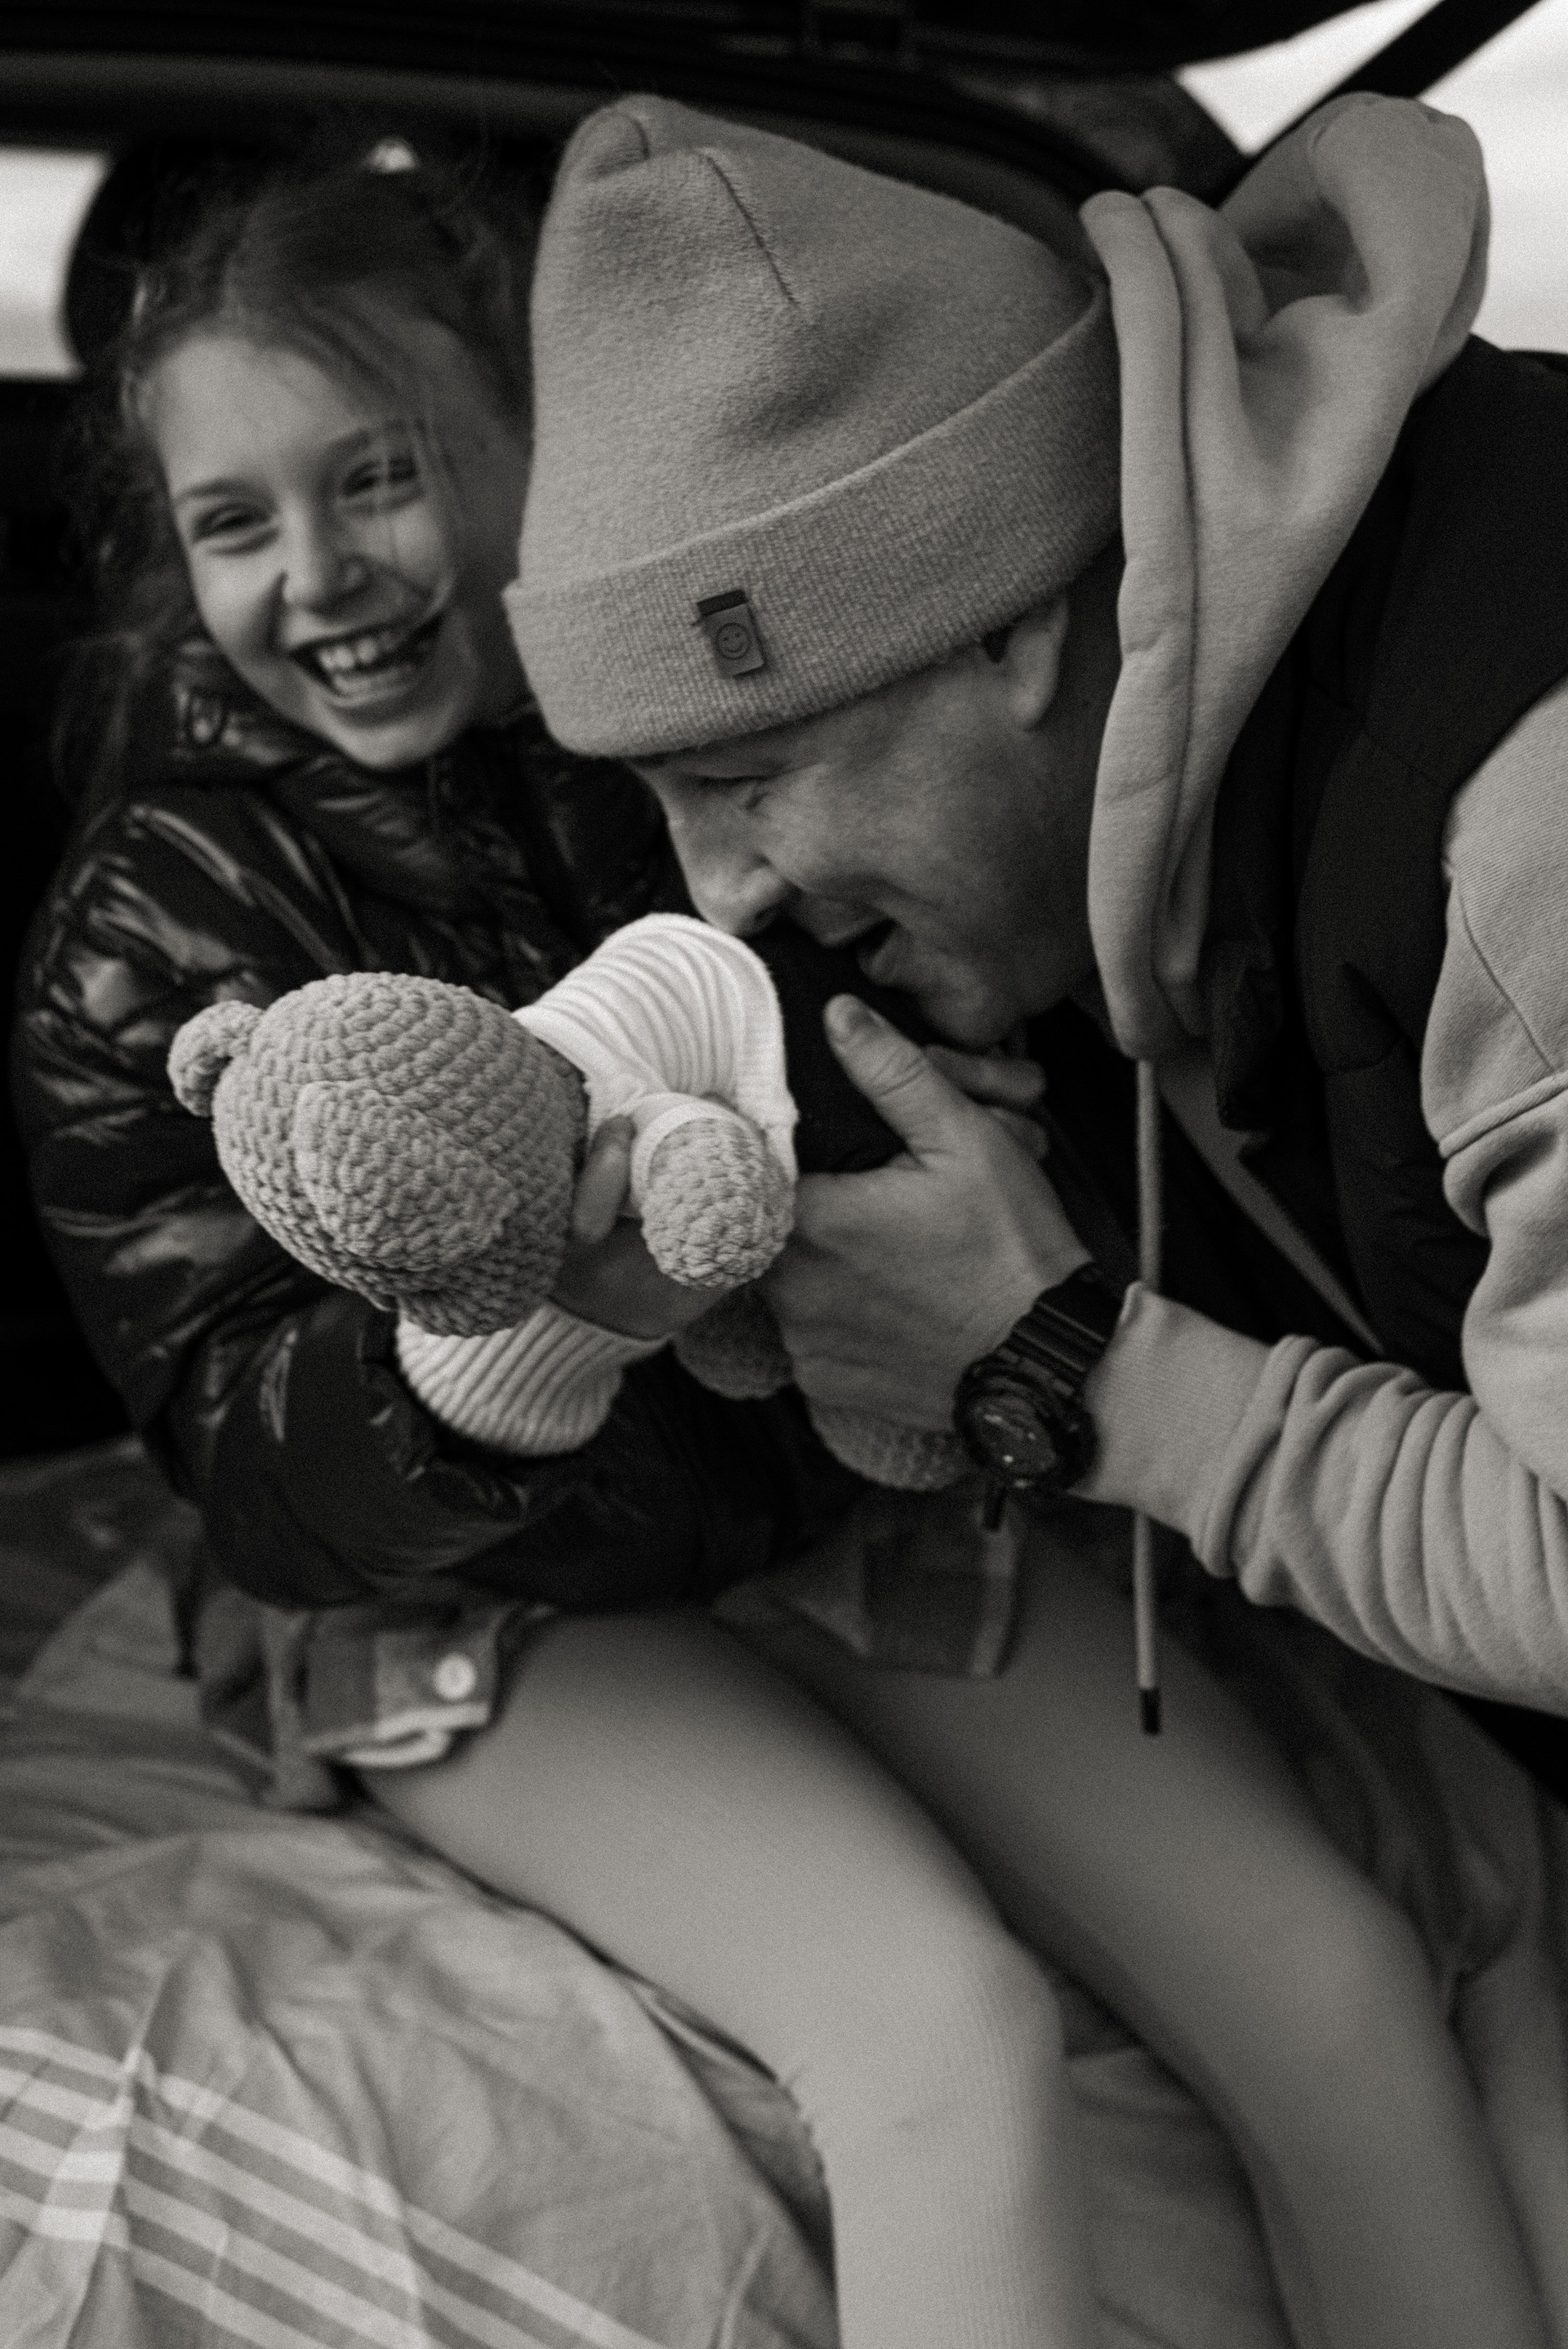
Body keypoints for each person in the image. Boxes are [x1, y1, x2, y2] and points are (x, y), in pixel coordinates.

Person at [9, 127, 1554, 2349]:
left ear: (528, 463)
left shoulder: (702, 717)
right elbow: (252, 1444)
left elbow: (909, 1078)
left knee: (1329, 1974)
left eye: (382, 477)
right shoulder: (156, 924)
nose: (322, 573)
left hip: (822, 1493)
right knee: (942, 2028)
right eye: (230, 520)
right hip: (486, 1597)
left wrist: (955, 1157)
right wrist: (502, 1349)